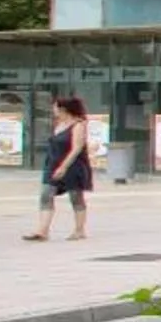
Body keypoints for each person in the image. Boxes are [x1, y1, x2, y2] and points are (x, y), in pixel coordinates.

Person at [25, 96, 95, 242]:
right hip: (52, 164)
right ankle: (42, 231)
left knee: (76, 197)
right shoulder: (59, 124)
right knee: (46, 195)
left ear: (63, 109)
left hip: (73, 166)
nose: (53, 110)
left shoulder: (78, 125)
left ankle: (79, 230)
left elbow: (77, 148)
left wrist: (64, 166)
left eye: (55, 107)